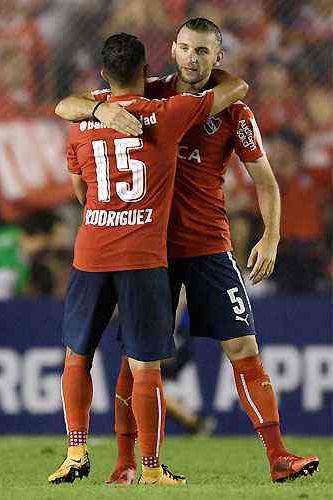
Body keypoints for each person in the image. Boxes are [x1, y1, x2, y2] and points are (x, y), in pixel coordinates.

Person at [55, 17, 320, 484]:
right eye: (185, 49)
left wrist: (270, 235)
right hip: (149, 247)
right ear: (172, 51)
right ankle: (124, 463)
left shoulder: (236, 112)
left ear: (217, 57)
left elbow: (266, 182)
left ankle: (279, 457)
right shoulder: (150, 94)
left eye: (203, 52)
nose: (192, 59)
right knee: (140, 359)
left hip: (208, 245)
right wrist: (100, 113)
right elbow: (70, 105)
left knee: (242, 344)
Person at [47, 32, 248, 487]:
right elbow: (236, 89)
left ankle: (76, 450)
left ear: (102, 76)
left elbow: (80, 188)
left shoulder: (82, 123)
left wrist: (99, 110)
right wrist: (201, 69)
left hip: (92, 251)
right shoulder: (169, 113)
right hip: (143, 257)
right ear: (147, 72)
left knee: (77, 354)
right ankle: (152, 468)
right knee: (145, 366)